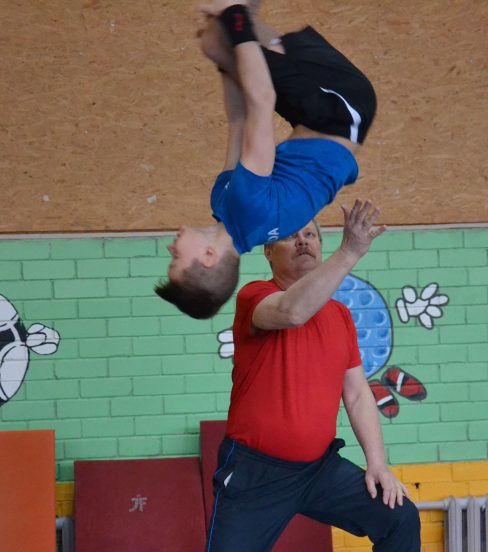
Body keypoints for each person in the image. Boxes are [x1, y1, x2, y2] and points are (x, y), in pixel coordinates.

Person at [143, 200, 452, 552]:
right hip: (255, 476)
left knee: (397, 517)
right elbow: (291, 311)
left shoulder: (341, 317)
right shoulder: (256, 297)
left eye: (312, 233)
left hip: (318, 470)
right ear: (269, 252)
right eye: (292, 235)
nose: (304, 240)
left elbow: (357, 393)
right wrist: (351, 251)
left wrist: (378, 464)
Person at [155, 1, 377, 319]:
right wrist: (233, 17)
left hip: (316, 115)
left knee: (217, 42)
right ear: (208, 256)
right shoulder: (248, 207)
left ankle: (239, 12)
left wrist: (226, 66)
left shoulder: (225, 206)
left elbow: (239, 122)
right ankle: (238, 8)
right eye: (176, 259)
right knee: (228, 27)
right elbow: (261, 101)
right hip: (340, 107)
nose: (171, 249)